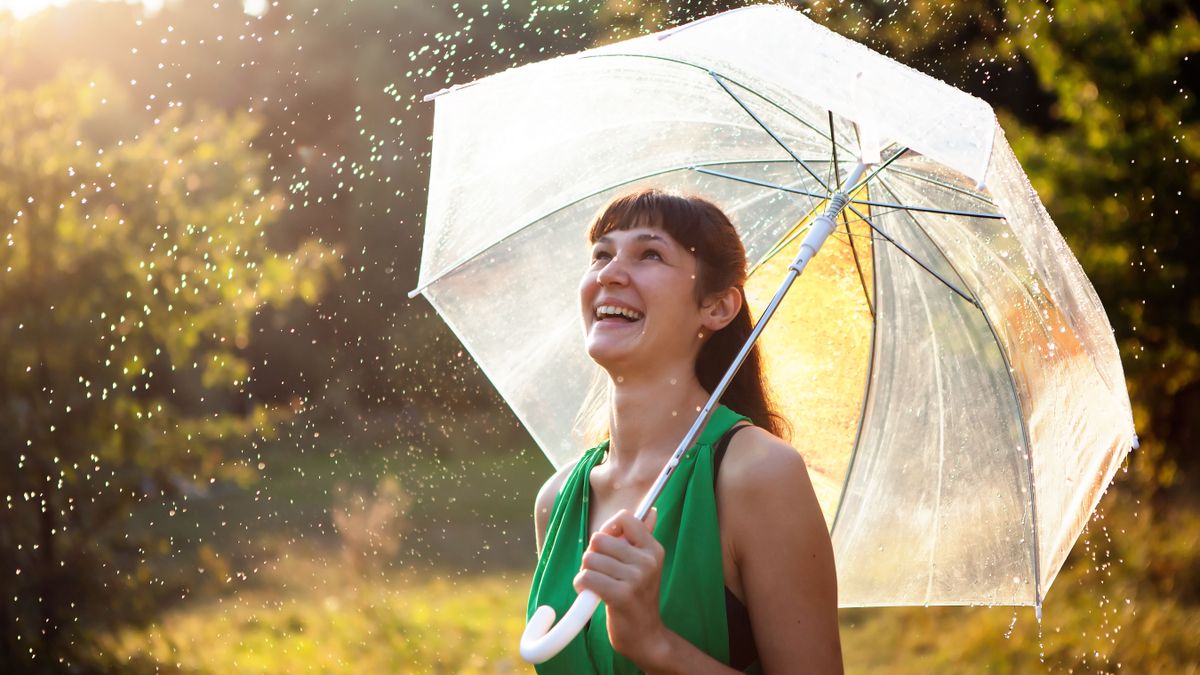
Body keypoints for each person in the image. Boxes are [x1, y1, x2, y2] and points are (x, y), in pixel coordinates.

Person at [528, 188, 843, 674]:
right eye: (601, 254)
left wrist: (654, 644)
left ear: (716, 308)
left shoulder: (759, 475)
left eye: (650, 253)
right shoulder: (557, 500)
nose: (609, 273)